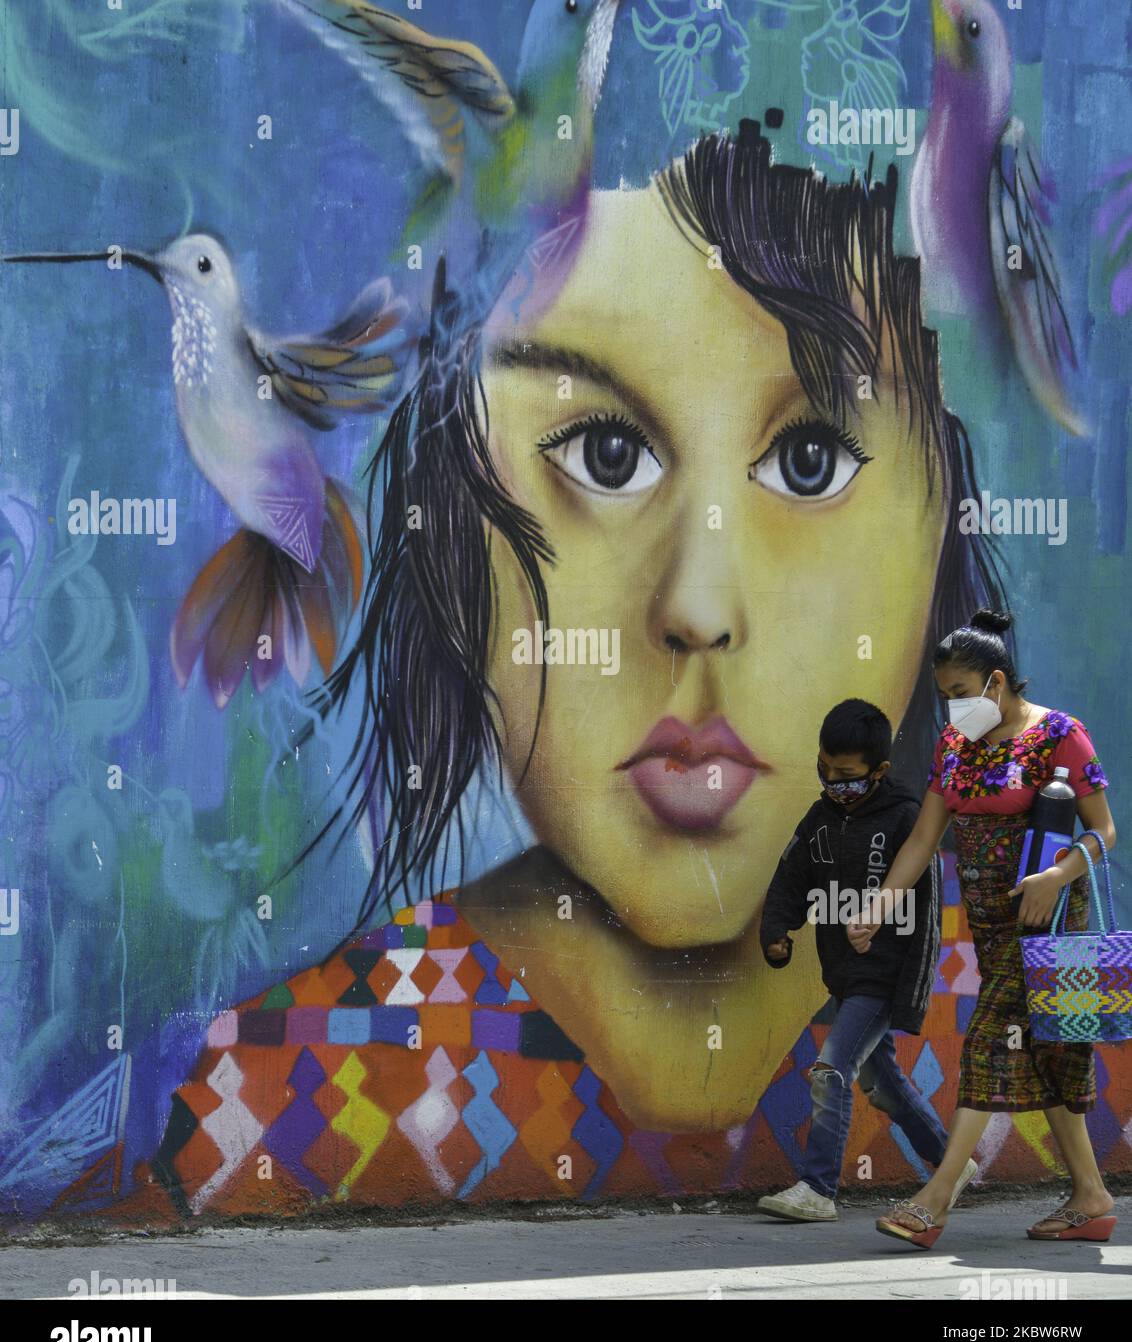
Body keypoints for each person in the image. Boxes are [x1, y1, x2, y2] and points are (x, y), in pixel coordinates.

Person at [122, 126, 1015, 1218]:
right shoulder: (269, 1095)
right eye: (603, 454)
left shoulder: (1053, 1037)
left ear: (940, 519)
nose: (695, 606)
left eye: (810, 460)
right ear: (450, 537)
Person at [852, 610, 1117, 1247]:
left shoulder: (1060, 735)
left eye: (961, 694)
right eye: (945, 697)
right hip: (992, 927)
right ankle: (1092, 1197)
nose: (953, 708)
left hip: (1049, 924)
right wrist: (879, 906)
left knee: (988, 1046)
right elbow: (923, 838)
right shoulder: (955, 747)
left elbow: (1104, 832)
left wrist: (1055, 878)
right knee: (1048, 1054)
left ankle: (935, 1199)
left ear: (996, 681)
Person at [756, 699, 966, 1222]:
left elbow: (928, 915)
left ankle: (818, 1187)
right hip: (844, 976)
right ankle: (951, 1165)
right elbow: (790, 879)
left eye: (847, 776)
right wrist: (776, 931)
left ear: (881, 771)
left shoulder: (906, 820)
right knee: (882, 1084)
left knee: (831, 1069)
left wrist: (909, 992)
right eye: (824, 770)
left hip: (883, 976)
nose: (833, 782)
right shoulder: (820, 819)